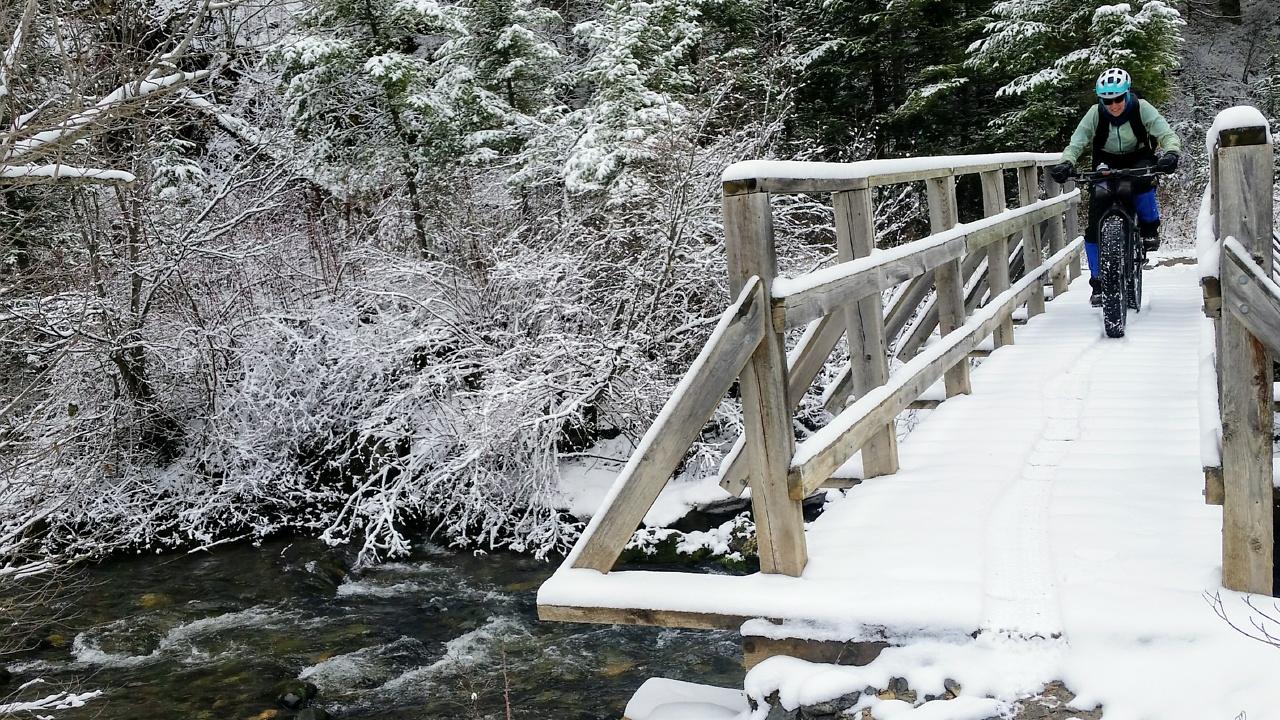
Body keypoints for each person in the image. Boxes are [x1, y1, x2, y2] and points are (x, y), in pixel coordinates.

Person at [1049, 68, 1181, 307]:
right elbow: (1076, 142)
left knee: (1140, 183)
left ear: (1126, 94)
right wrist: (1066, 163)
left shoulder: (1142, 108)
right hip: (1106, 162)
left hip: (1139, 158)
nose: (1114, 105)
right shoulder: (1095, 114)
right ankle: (1098, 282)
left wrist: (1171, 153)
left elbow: (1165, 133)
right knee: (1094, 220)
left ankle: (1149, 229)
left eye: (1118, 98)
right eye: (1108, 100)